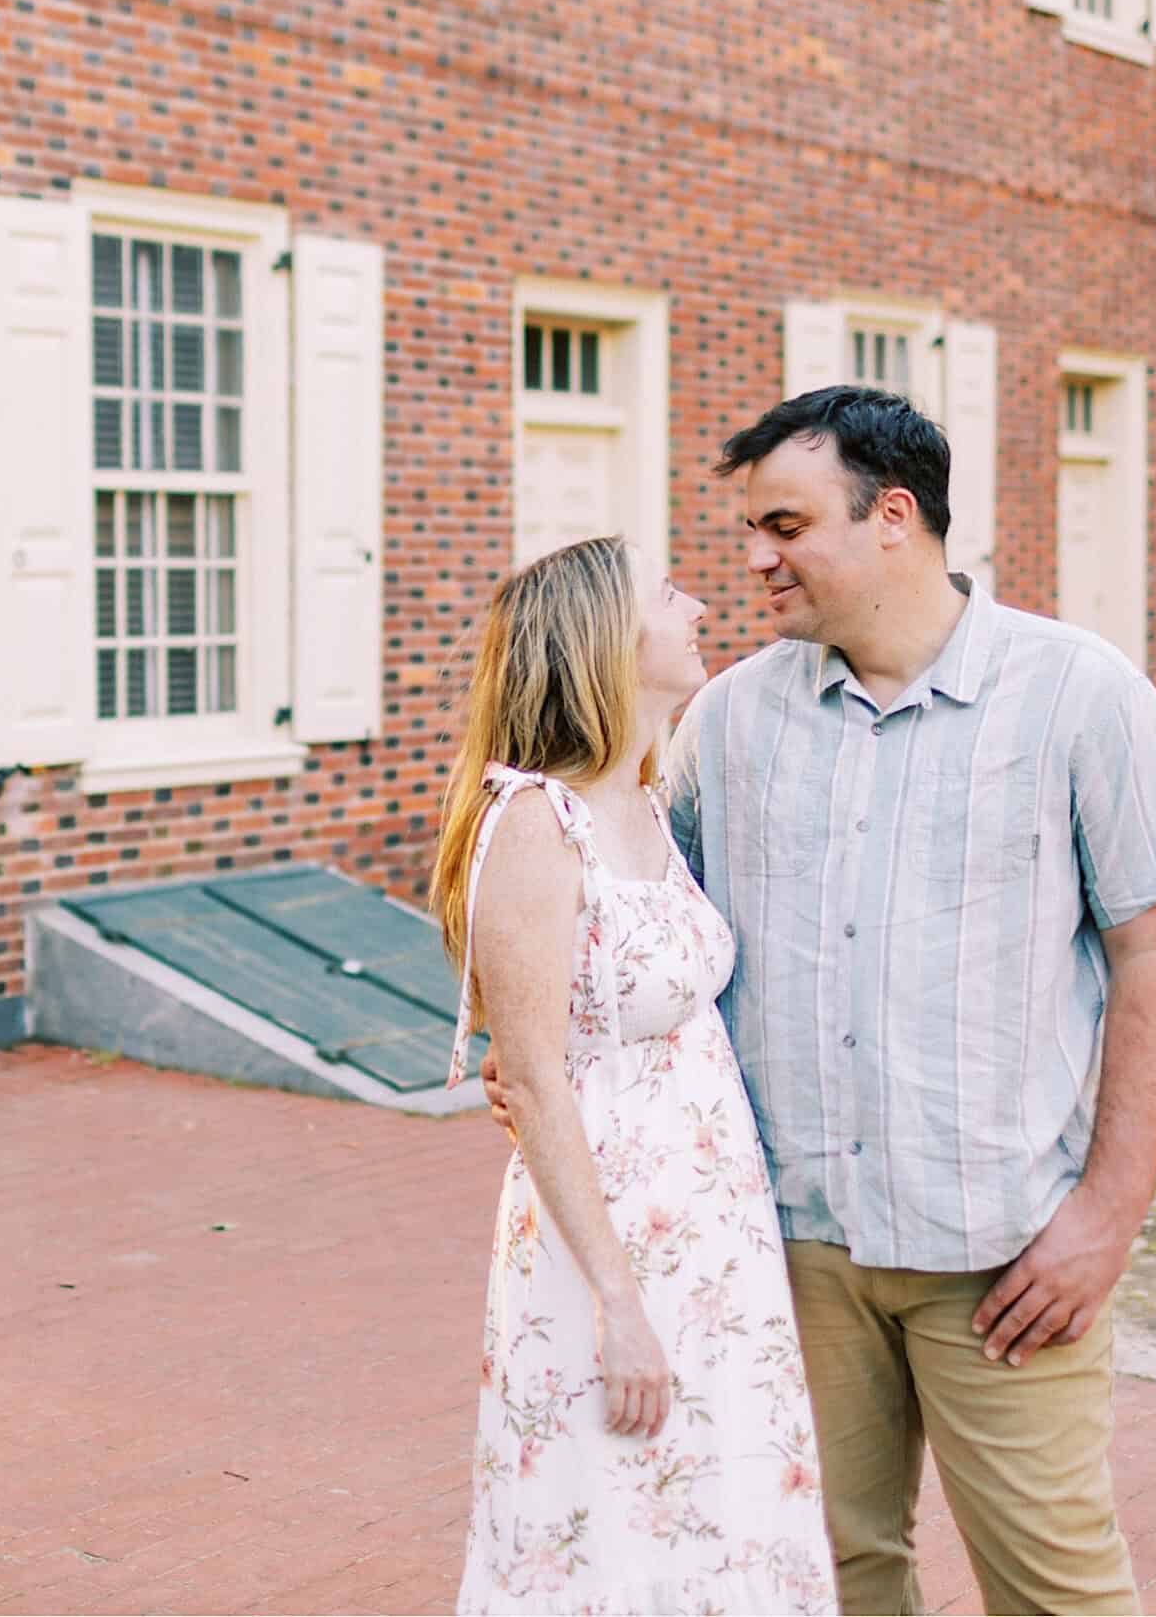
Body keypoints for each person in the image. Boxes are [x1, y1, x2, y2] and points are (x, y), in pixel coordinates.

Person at [486, 387, 1156, 1615]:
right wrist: (542, 1051)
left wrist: (1106, 1212)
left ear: (892, 517)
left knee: (1057, 1589)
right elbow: (629, 918)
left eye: (784, 524)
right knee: (822, 1577)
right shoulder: (729, 718)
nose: (756, 560)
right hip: (784, 1250)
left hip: (998, 1256)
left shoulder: (1081, 698)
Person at [431, 535, 837, 1616]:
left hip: (709, 1235)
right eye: (667, 593)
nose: (698, 602)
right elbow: (538, 1080)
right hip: (607, 1246)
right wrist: (617, 1303)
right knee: (608, 1527)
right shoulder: (532, 824)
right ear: (607, 641)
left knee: (718, 1516)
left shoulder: (645, 804)